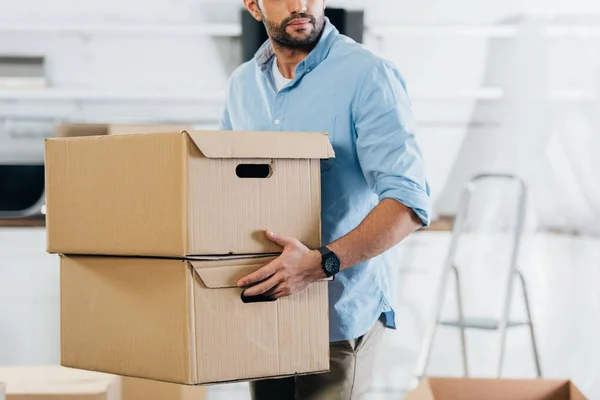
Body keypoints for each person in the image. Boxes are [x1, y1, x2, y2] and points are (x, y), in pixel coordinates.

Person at [219, 1, 431, 399]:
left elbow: (408, 203)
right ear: (253, 5)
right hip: (265, 309)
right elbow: (224, 187)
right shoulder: (242, 85)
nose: (300, 6)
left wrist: (321, 264)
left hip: (337, 318)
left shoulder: (368, 75)